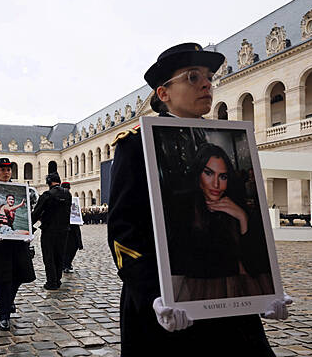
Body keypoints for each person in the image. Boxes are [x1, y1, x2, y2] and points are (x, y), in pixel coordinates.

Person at [107, 42, 292, 356]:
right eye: (193, 77)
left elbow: (245, 232)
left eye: (208, 77)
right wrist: (154, 294)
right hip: (168, 304)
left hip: (227, 298)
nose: (207, 83)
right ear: (163, 93)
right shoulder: (135, 144)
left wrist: (264, 288)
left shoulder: (225, 142)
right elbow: (124, 232)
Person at [169, 143, 274, 302]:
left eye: (222, 176)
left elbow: (254, 266)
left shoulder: (238, 208)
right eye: (209, 173)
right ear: (198, 174)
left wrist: (242, 218)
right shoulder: (182, 208)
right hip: (195, 298)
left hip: (233, 300)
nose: (216, 184)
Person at [0, 158, 35, 331]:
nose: (6, 172)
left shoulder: (18, 189)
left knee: (18, 276)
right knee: (1, 280)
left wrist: (30, 232)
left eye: (9, 169)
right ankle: (4, 316)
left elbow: (29, 214)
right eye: (2, 169)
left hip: (16, 244)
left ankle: (9, 301)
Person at [31, 172, 72, 290]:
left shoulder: (47, 195)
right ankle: (58, 280)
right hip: (64, 230)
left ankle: (51, 282)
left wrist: (28, 225)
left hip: (49, 230)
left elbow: (37, 213)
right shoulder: (67, 194)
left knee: (49, 257)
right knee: (59, 255)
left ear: (49, 182)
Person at [60, 182, 83, 273]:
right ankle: (65, 264)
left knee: (74, 246)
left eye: (68, 189)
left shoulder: (73, 200)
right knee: (65, 247)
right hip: (64, 227)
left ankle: (68, 262)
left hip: (74, 227)